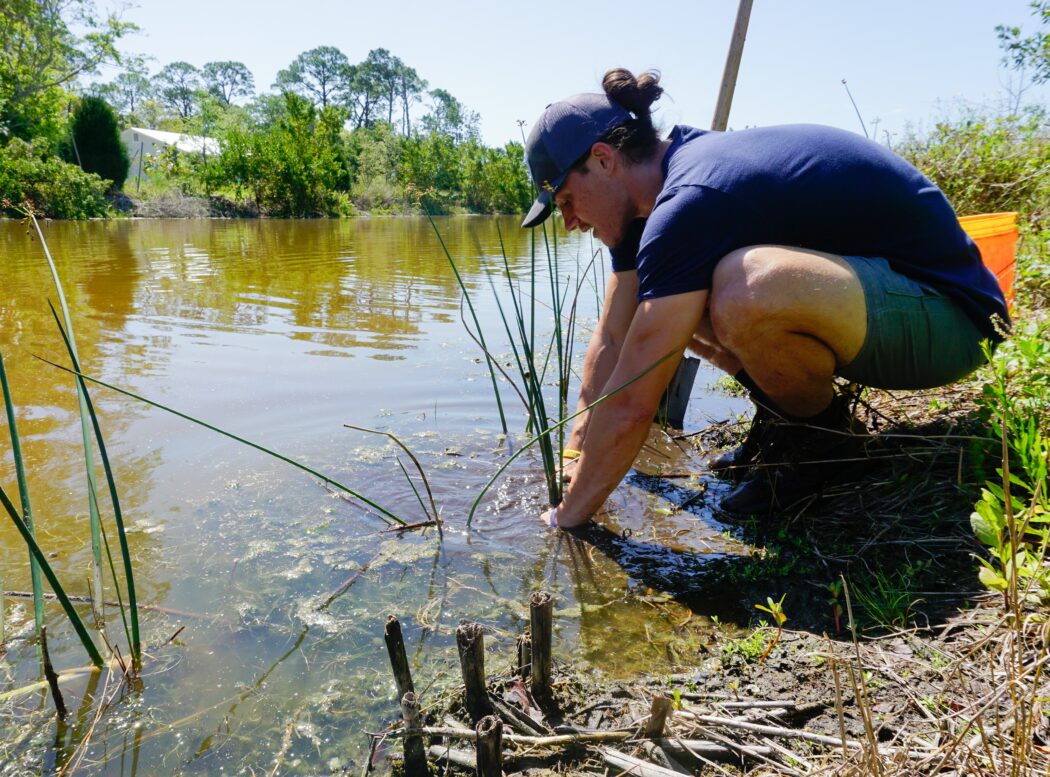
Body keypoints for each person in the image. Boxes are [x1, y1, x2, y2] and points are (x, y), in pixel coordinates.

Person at [521, 68, 1009, 528]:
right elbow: (613, 335)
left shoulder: (690, 197)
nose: (570, 222)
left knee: (741, 286)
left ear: (604, 159)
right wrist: (575, 451)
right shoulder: (644, 207)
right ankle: (790, 420)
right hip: (875, 305)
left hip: (954, 321)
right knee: (673, 307)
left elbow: (632, 402)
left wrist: (568, 516)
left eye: (565, 201)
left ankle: (820, 443)